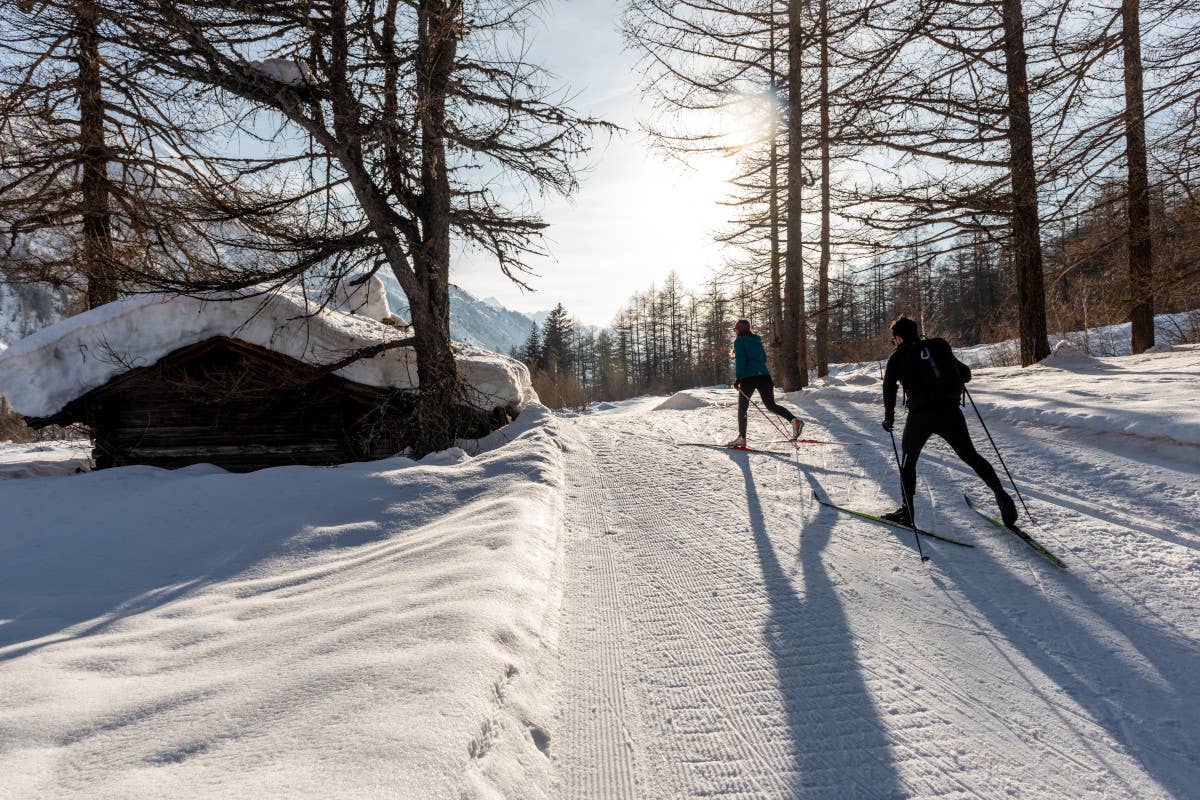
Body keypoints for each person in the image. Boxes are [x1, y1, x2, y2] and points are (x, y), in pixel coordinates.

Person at [881, 315, 1018, 527]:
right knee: (970, 455)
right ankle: (1001, 495)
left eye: (894, 339)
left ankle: (907, 514)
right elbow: (965, 373)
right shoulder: (938, 347)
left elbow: (889, 389)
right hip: (950, 412)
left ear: (898, 338)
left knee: (908, 463)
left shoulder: (898, 358)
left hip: (920, 417)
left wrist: (889, 418)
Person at [729, 319, 803, 448]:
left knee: (742, 409)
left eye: (736, 329)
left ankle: (742, 439)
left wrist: (738, 379)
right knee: (771, 405)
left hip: (748, 378)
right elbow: (763, 358)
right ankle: (794, 421)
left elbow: (741, 360)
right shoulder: (757, 340)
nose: (735, 332)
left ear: (739, 330)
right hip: (764, 376)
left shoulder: (739, 341)